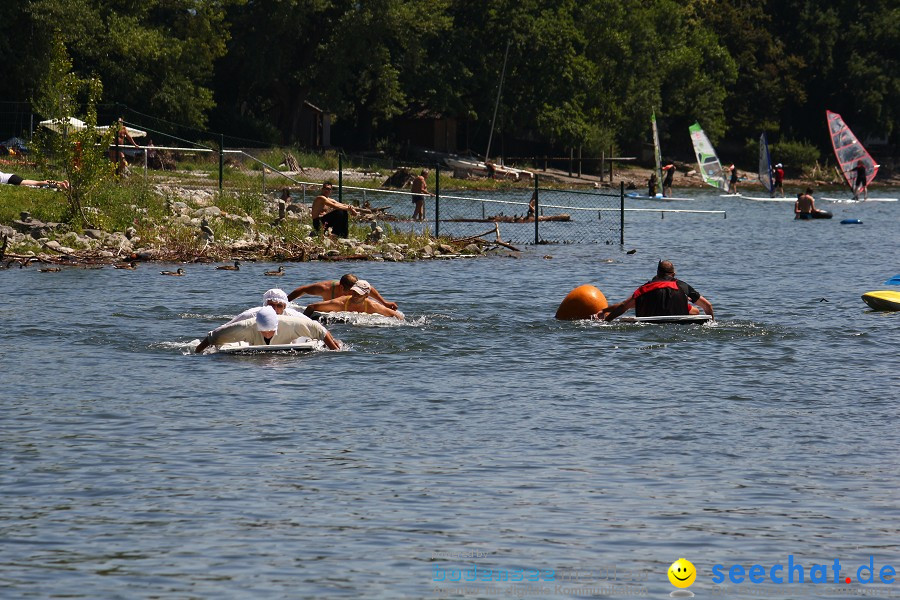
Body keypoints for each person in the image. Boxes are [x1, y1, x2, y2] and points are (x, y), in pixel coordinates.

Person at [595, 260, 714, 321]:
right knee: (695, 311)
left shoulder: (645, 289)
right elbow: (707, 306)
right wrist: (712, 324)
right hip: (678, 324)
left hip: (649, 322)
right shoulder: (682, 286)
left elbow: (624, 306)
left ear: (657, 273)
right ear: (673, 274)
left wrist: (607, 320)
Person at [194, 305, 341, 353]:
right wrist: (197, 355)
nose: (267, 333)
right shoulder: (246, 325)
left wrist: (335, 351)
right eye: (263, 330)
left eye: (270, 330)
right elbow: (211, 337)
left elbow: (320, 330)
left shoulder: (292, 323)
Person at [287, 273, 398, 310]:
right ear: (341, 288)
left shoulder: (360, 288)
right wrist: (285, 302)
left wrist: (385, 303)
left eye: (357, 291)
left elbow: (369, 289)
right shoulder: (325, 288)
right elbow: (302, 290)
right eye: (352, 291)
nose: (355, 294)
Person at [304, 279, 404, 319]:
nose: (355, 296)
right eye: (354, 292)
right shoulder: (339, 303)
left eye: (359, 294)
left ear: (366, 296)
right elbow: (311, 307)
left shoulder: (372, 306)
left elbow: (397, 316)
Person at [1, 170, 69, 190]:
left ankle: (60, 185)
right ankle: (60, 183)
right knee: (37, 183)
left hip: (9, 179)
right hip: (10, 177)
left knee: (36, 184)